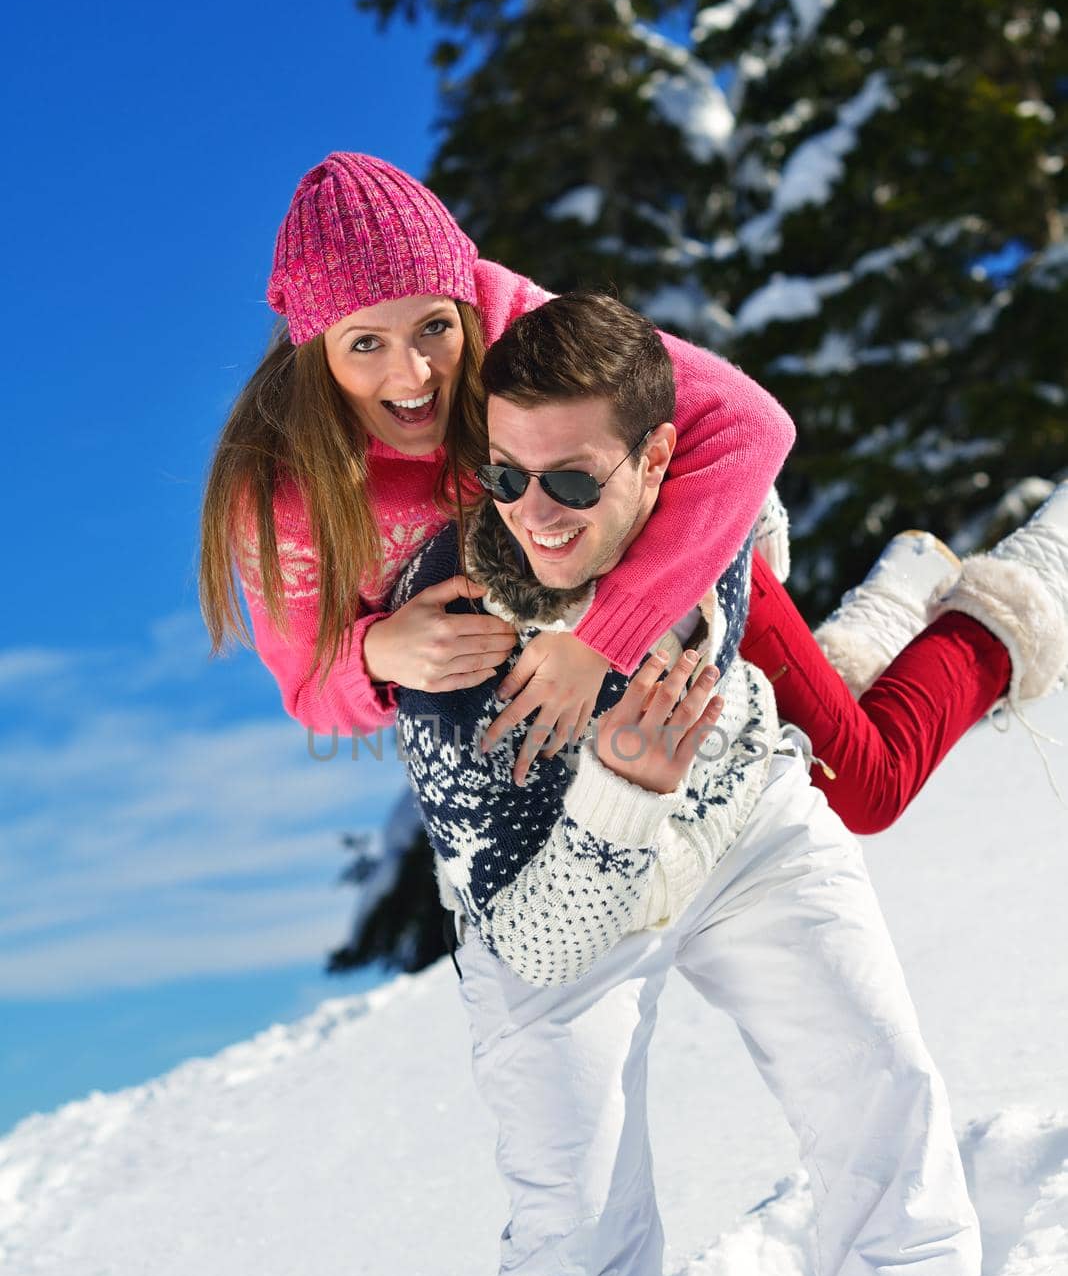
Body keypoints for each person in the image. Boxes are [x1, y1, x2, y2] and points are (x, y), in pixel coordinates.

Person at [383, 290, 1000, 1276]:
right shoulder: (453, 647)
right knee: (579, 1238)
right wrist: (617, 789)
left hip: (741, 822)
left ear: (660, 461)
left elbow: (750, 464)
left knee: (881, 1084)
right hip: (552, 918)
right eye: (507, 476)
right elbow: (540, 942)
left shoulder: (699, 510)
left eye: (572, 483)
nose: (532, 515)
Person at [199, 150, 1068, 830]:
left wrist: (603, 639)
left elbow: (752, 424)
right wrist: (376, 655)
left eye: (434, 325)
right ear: (315, 349)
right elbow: (309, 686)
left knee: (860, 790)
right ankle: (894, 598)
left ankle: (1025, 585)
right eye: (365, 345)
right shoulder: (284, 494)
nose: (415, 372)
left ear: (463, 300)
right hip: (582, 694)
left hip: (687, 558)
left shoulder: (514, 321)